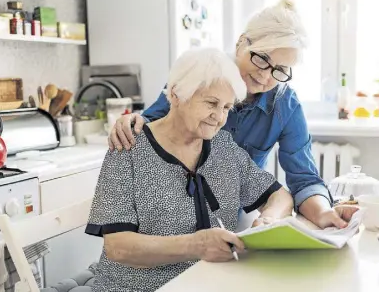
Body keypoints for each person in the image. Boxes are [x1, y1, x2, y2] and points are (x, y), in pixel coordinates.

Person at [108, 0, 358, 229]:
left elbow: (304, 180)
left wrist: (325, 213)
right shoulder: (200, 73)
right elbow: (151, 124)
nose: (265, 75)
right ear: (241, 42)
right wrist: (131, 121)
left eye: (280, 70)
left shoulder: (285, 105)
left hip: (227, 221)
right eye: (262, 58)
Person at [86, 48, 293, 292]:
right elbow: (118, 247)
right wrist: (197, 245)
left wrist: (269, 219)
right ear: (175, 94)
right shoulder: (128, 147)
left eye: (227, 107)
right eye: (211, 103)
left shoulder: (223, 148)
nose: (219, 117)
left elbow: (280, 196)